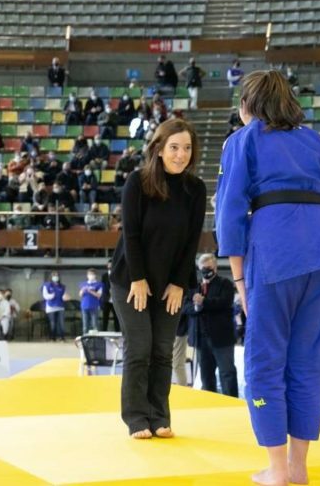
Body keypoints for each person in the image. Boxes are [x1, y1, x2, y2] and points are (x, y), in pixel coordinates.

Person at [216, 70, 320, 485]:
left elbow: (230, 212)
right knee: (308, 359)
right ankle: (298, 467)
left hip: (275, 248)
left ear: (247, 106)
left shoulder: (244, 139)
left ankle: (276, 471)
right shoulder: (314, 140)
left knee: (264, 360)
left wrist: (239, 281)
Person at [110, 118, 206, 440]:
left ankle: (159, 415)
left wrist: (179, 283)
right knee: (140, 348)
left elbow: (192, 241)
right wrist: (138, 279)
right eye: (174, 147)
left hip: (170, 283)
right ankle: (137, 418)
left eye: (187, 148)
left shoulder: (196, 189)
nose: (181, 155)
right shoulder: (138, 182)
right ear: (159, 149)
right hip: (131, 279)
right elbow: (132, 236)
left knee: (163, 350)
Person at [182, 253, 238, 397]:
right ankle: (211, 403)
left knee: (227, 373)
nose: (206, 271)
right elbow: (185, 306)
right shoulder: (194, 287)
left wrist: (203, 302)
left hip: (221, 338)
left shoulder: (225, 284)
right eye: (203, 268)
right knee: (206, 375)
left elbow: (224, 302)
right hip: (200, 338)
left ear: (215, 267)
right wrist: (196, 306)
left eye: (209, 267)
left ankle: (231, 404)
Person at [42, 271, 67, 341]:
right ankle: (53, 337)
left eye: (57, 275)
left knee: (61, 323)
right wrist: (52, 296)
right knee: (53, 323)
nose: (56, 277)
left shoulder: (62, 286)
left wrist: (65, 297)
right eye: (54, 275)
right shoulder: (47, 285)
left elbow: (64, 295)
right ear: (51, 277)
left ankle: (62, 337)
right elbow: (45, 295)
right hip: (51, 307)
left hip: (60, 306)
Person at [79, 269, 103, 334]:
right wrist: (83, 290)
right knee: (85, 325)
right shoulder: (83, 284)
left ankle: (96, 339)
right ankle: (85, 339)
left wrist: (90, 291)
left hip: (94, 306)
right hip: (84, 306)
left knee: (95, 324)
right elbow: (80, 295)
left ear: (95, 275)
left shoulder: (99, 284)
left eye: (92, 274)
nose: (91, 276)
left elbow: (99, 295)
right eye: (89, 274)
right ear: (87, 275)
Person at [100, 260, 119, 332]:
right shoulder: (104, 275)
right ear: (107, 266)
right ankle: (104, 331)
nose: (110, 266)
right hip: (107, 299)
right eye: (109, 265)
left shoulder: (117, 274)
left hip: (115, 300)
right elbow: (103, 287)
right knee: (105, 317)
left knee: (117, 317)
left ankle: (117, 332)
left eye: (112, 265)